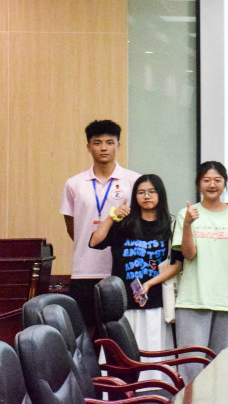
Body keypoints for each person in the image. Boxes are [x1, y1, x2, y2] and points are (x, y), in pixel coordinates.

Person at [60, 119, 141, 331]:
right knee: (85, 332)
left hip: (121, 270)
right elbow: (72, 227)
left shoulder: (134, 181)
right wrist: (91, 244)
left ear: (118, 145)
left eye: (109, 142)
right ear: (88, 146)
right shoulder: (74, 184)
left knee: (120, 332)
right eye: (97, 143)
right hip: (84, 270)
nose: (103, 148)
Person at [89, 173, 180, 361]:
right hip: (123, 303)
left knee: (154, 353)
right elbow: (94, 242)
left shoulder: (170, 225)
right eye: (141, 192)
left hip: (155, 301)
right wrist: (112, 217)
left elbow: (177, 265)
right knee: (123, 355)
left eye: (152, 192)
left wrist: (149, 284)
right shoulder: (124, 224)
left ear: (160, 195)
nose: (147, 196)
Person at [172, 161, 228, 383]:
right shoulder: (187, 214)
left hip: (226, 300)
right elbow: (188, 254)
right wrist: (188, 224)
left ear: (225, 183)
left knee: (220, 370)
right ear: (198, 183)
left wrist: (227, 282)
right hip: (193, 299)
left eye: (217, 180)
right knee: (191, 369)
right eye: (206, 180)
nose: (212, 184)